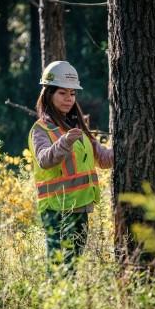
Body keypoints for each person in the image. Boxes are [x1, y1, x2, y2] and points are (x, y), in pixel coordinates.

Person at [28, 60, 113, 271]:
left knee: (72, 267)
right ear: (49, 94)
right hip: (56, 211)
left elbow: (103, 159)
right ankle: (55, 304)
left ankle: (66, 304)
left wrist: (127, 145)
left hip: (80, 208)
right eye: (62, 93)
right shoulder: (41, 130)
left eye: (72, 94)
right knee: (58, 267)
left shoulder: (77, 127)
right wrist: (65, 141)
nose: (69, 99)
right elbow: (45, 160)